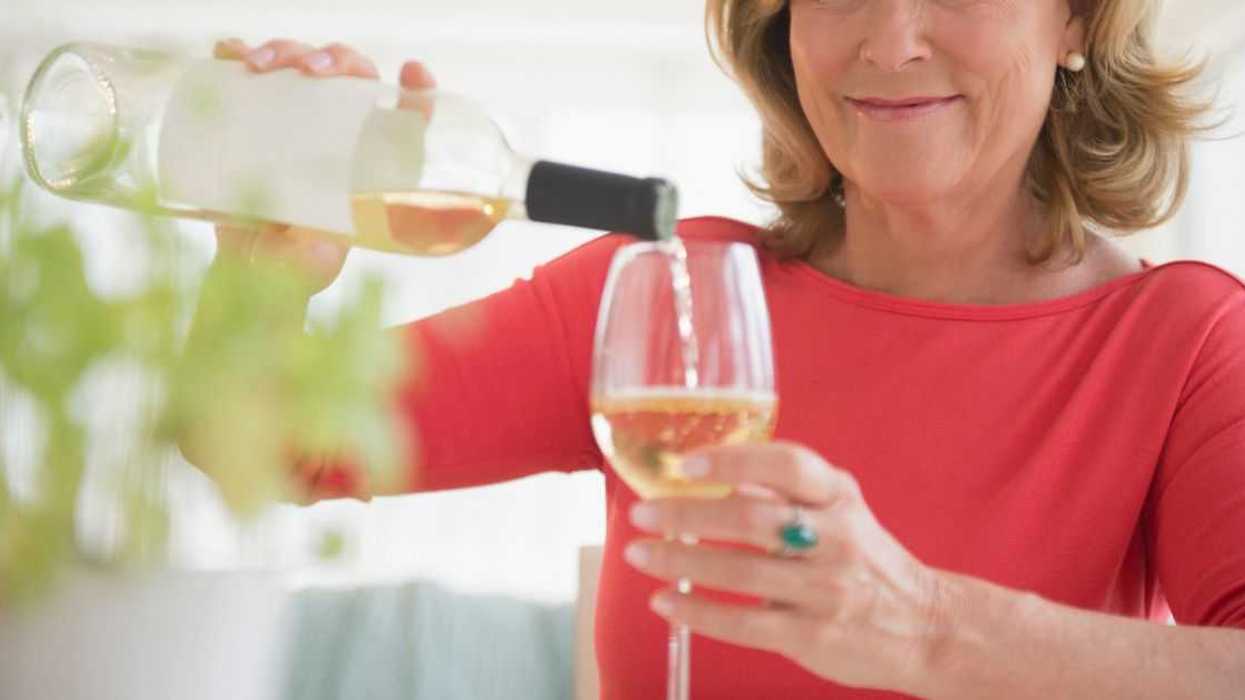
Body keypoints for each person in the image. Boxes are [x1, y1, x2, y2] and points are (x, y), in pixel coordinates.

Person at [191, 1, 1245, 696]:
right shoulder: (671, 294)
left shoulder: (1187, 343)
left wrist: (923, 625)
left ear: (1075, 19)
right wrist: (263, 262)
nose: (890, 38)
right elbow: (257, 438)